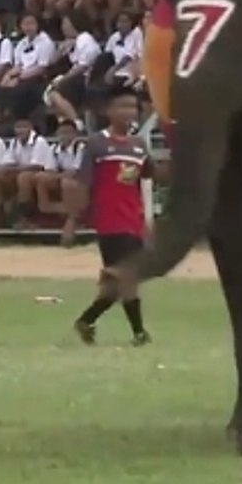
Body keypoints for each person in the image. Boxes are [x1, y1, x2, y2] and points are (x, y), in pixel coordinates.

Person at [72, 90, 153, 347]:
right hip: (110, 220)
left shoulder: (139, 145)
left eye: (133, 107)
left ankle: (86, 320)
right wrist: (73, 219)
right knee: (128, 276)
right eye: (122, 106)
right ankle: (139, 333)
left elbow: (146, 178)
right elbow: (83, 183)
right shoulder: (97, 144)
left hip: (132, 219)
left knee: (116, 282)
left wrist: (147, 219)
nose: (129, 112)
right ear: (108, 111)